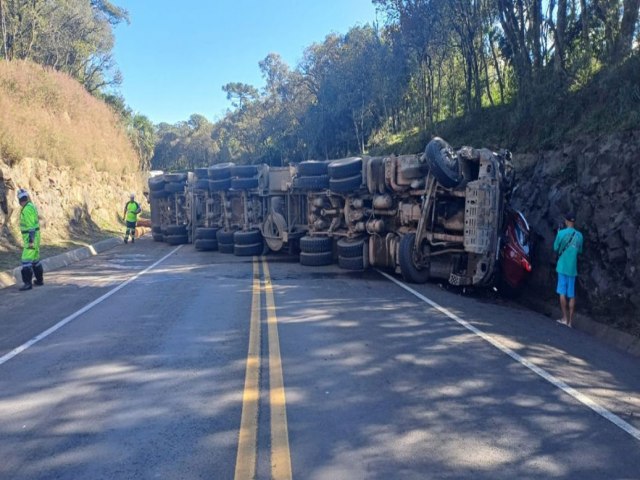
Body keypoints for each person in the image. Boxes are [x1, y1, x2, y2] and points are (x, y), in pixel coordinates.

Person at [553, 211, 583, 327]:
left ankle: (564, 318)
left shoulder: (561, 233)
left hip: (562, 267)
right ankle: (570, 322)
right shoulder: (580, 236)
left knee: (562, 292)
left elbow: (555, 248)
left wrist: (558, 234)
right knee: (571, 294)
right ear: (574, 222)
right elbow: (580, 251)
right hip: (572, 268)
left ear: (566, 221)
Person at [17, 189, 44, 291]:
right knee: (35, 260)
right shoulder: (31, 206)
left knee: (26, 260)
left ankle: (27, 284)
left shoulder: (26, 209)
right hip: (36, 236)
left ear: (19, 200)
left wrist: (31, 241)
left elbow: (31, 226)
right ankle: (40, 280)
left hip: (31, 238)